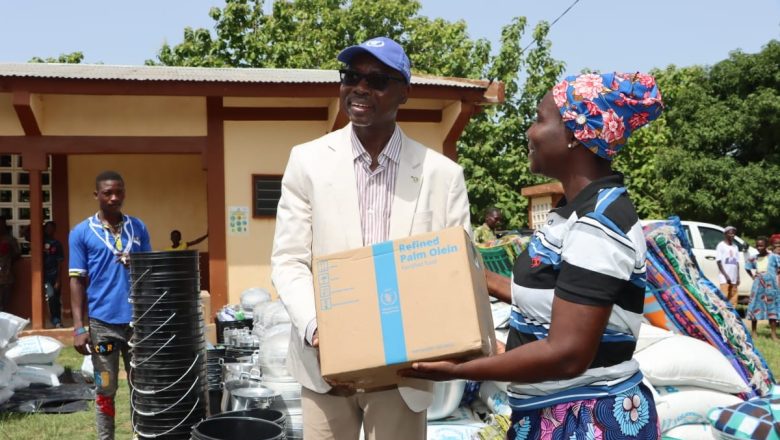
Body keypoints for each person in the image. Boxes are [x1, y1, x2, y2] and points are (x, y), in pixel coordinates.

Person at [404, 72, 664, 439]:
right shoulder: (567, 213)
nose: (530, 131)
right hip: (550, 411)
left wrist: (460, 369)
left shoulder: (598, 224)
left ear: (575, 134)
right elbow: (554, 298)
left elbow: (568, 353)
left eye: (540, 119)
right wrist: (445, 264)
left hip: (586, 419)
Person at [271, 36, 470, 440]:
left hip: (405, 372)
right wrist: (318, 329)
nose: (360, 88)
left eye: (377, 80)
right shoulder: (307, 162)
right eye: (351, 76)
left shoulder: (441, 175)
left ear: (404, 93)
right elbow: (288, 259)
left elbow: (455, 273)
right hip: (324, 368)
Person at [69, 171, 151, 440]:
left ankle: (142, 435)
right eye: (108, 193)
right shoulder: (81, 232)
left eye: (119, 192)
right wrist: (80, 327)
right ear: (97, 195)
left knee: (143, 386)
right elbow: (77, 281)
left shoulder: (138, 228)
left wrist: (136, 263)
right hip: (102, 325)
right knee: (105, 387)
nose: (114, 197)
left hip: (137, 322)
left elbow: (151, 270)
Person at [746, 237, 780, 339]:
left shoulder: (774, 257)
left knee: (772, 308)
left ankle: (773, 334)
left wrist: (775, 275)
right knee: (755, 306)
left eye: (761, 245)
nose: (759, 247)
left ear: (766, 246)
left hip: (771, 286)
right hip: (758, 286)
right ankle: (754, 331)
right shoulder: (754, 257)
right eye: (757, 245)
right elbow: (747, 267)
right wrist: (753, 276)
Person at [43, 221, 65, 328]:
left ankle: (58, 320)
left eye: (51, 228)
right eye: (47, 228)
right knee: (51, 297)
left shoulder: (57, 244)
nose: (49, 230)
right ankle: (55, 320)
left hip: (55, 275)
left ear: (54, 230)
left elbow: (60, 262)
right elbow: (26, 234)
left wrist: (58, 279)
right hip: (45, 276)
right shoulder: (40, 241)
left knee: (56, 299)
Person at [717, 226, 741, 306]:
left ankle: (732, 315)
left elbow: (737, 263)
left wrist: (738, 277)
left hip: (733, 278)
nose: (732, 235)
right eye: (730, 233)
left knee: (733, 299)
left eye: (734, 233)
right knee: (724, 297)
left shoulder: (735, 247)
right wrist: (726, 276)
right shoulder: (721, 245)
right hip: (725, 278)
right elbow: (719, 262)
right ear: (725, 234)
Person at [0, 216, 20, 312]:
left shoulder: (10, 239)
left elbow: (17, 254)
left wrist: (8, 261)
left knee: (5, 303)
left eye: (2, 224)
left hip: (6, 277)